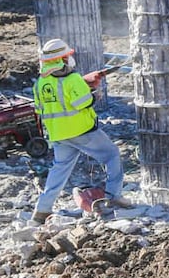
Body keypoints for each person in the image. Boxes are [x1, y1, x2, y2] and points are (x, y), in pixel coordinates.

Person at [31, 38, 129, 224]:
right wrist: (94, 94)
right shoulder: (73, 79)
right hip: (82, 131)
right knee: (111, 155)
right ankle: (114, 196)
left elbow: (41, 107)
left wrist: (82, 85)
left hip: (58, 134)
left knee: (60, 169)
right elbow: (83, 102)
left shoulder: (40, 83)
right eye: (68, 56)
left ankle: (42, 210)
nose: (70, 59)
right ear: (62, 59)